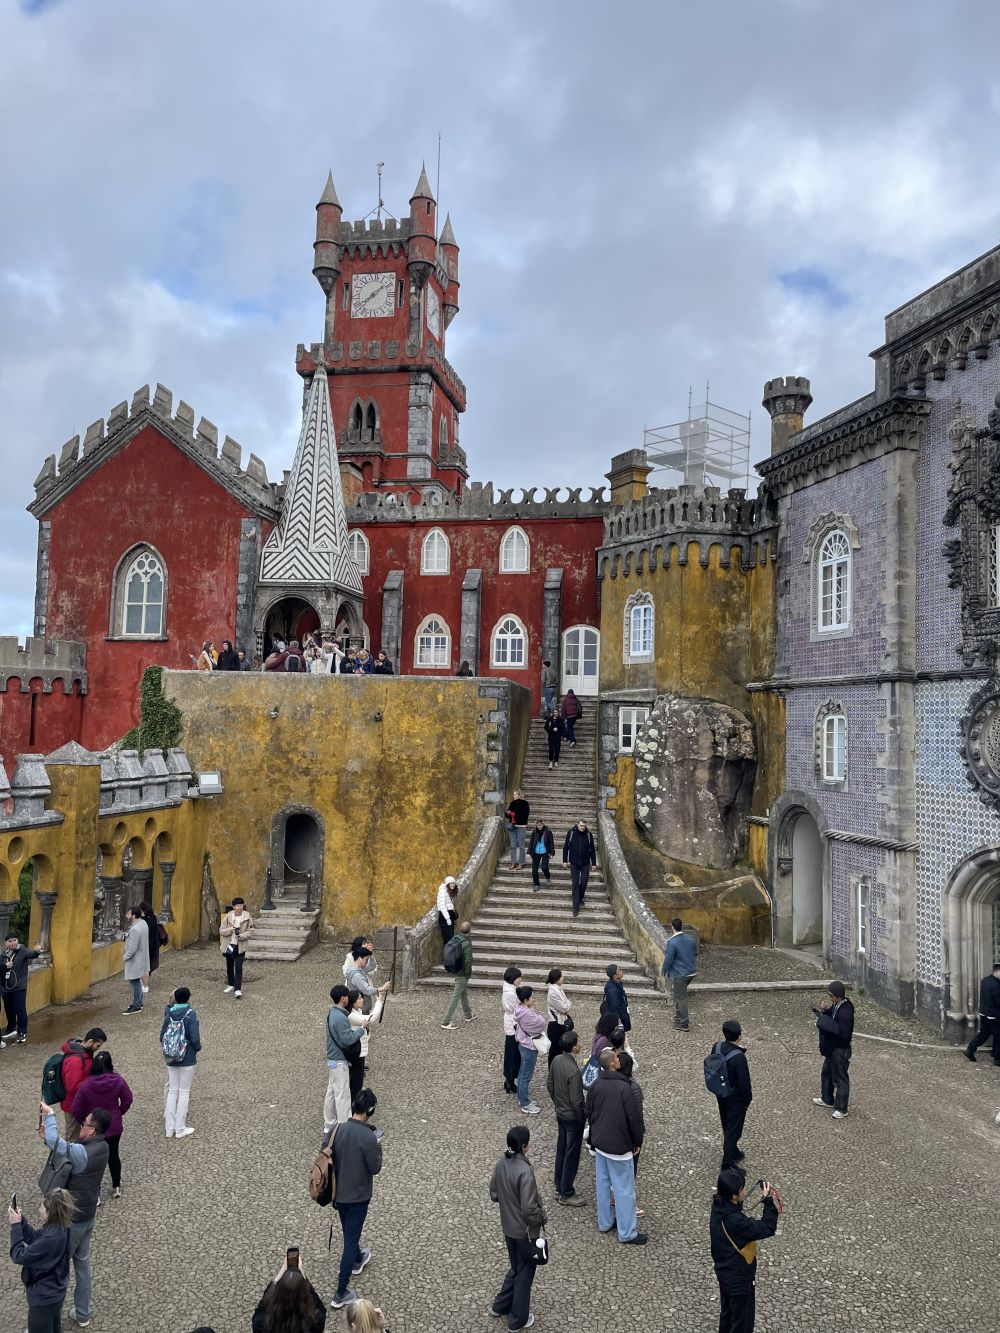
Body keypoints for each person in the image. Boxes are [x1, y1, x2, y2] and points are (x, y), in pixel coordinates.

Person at [39, 1100, 110, 1327]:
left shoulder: (82, 1153)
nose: (81, 1125)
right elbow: (59, 1145)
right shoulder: (103, 1147)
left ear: (92, 1130)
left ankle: (46, 1322)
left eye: (85, 1123)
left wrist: (50, 1115)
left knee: (55, 1270)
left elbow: (55, 1142)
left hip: (71, 1221)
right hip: (88, 1215)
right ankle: (83, 1312)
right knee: (82, 1266)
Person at [488, 1125, 546, 1332]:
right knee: (525, 1274)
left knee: (516, 1267)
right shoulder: (525, 1171)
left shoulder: (501, 1164)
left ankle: (500, 1305)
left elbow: (494, 1193)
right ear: (524, 1146)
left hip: (508, 1227)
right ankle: (518, 1319)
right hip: (524, 1232)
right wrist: (542, 1218)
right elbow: (529, 1209)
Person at [585, 1047, 646, 1244]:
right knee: (624, 1189)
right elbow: (634, 1119)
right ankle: (627, 1232)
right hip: (619, 1146)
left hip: (600, 1142)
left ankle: (605, 1222)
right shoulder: (624, 1088)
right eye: (617, 1058)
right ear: (612, 1063)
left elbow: (589, 1111)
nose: (619, 1059)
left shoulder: (596, 1085)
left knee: (603, 1184)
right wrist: (637, 1141)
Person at [329, 1089, 383, 1310]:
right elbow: (375, 1167)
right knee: (350, 1241)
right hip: (358, 1196)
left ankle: (359, 1258)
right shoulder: (369, 1137)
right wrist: (377, 1145)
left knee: (350, 1230)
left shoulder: (337, 1129)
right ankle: (341, 1292)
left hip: (338, 1193)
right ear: (370, 1111)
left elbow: (326, 1152)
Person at [709, 1167, 779, 1333]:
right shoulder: (737, 1222)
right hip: (739, 1278)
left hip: (724, 1272)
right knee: (742, 1323)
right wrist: (768, 1200)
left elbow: (736, 1207)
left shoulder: (718, 1206)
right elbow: (767, 1228)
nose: (745, 1192)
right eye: (742, 1189)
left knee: (727, 1314)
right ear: (734, 1196)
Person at [8, 1188, 75, 1333]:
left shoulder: (50, 1238)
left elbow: (18, 1255)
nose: (39, 1210)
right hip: (57, 1291)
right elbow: (34, 1238)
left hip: (44, 1298)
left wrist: (15, 1227)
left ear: (51, 1212)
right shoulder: (61, 1226)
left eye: (42, 1207)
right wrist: (21, 1221)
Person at [70, 1050, 133, 1199]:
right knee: (113, 1155)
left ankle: (96, 1194)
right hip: (114, 1126)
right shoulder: (118, 1080)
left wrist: (84, 1122)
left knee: (93, 1161)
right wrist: (119, 1113)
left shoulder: (86, 1085)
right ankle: (116, 1186)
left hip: (94, 1129)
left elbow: (75, 1108)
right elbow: (128, 1099)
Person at [546, 1030, 585, 1206]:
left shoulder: (556, 1060)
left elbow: (550, 1084)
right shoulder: (574, 1071)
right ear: (574, 1047)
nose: (580, 1044)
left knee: (561, 1150)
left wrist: (557, 1103)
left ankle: (559, 1186)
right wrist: (581, 1118)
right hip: (572, 1118)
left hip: (561, 1113)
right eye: (578, 1042)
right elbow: (577, 1101)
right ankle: (567, 1192)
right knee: (571, 1155)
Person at [711, 1019, 752, 1170]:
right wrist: (747, 1101)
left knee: (726, 1123)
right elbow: (744, 1083)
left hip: (721, 1093)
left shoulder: (717, 1046)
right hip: (735, 1098)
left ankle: (733, 1150)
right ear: (739, 1036)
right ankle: (727, 1163)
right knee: (733, 1129)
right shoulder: (738, 1057)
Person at [161, 986, 201, 1138]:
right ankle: (180, 1128)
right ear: (188, 998)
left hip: (171, 1057)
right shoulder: (190, 1014)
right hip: (187, 1057)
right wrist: (197, 1048)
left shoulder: (169, 1013)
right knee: (184, 1092)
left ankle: (169, 1128)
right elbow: (195, 1038)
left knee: (172, 1091)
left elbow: (162, 1035)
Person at [252, 1254, 327, 1333]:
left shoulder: (263, 1323)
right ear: (304, 1294)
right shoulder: (314, 1323)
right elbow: (320, 1307)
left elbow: (261, 1308)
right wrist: (304, 1278)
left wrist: (276, 1280)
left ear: (278, 1292)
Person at [812, 980, 855, 1119]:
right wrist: (825, 1011)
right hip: (832, 1047)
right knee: (827, 1073)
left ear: (838, 996)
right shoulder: (837, 1005)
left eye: (831, 996)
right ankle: (827, 1099)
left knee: (840, 1078)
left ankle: (841, 1108)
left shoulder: (846, 1012)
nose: (830, 998)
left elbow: (843, 1034)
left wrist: (826, 1025)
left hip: (840, 1050)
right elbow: (832, 1015)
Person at [56, 1028, 107, 1141]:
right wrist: (94, 1082)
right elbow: (73, 1087)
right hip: (72, 1105)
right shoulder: (75, 1060)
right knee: (73, 1137)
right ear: (90, 1041)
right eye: (97, 1045)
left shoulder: (84, 1054)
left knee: (82, 1135)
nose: (98, 1048)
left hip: (81, 1102)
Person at [325, 985, 362, 1131]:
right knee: (343, 1096)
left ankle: (329, 1123)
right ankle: (345, 1128)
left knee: (331, 1093)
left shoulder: (332, 1013)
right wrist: (361, 1030)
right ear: (343, 999)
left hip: (332, 1059)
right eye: (347, 996)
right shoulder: (341, 1017)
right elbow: (347, 1039)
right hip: (339, 1061)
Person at [2, 931, 43, 1043]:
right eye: (10, 941)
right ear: (6, 943)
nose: (12, 943)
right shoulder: (5, 953)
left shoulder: (23, 950)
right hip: (6, 987)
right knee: (9, 1010)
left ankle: (22, 1032)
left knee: (20, 1010)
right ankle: (11, 1029)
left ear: (18, 941)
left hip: (19, 987)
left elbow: (32, 955)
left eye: (14, 940)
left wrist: (37, 951)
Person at [347, 987, 385, 1104]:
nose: (362, 1000)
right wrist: (379, 1002)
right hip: (356, 1052)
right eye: (359, 998)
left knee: (358, 1078)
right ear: (353, 1002)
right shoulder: (352, 1016)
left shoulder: (356, 1011)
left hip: (360, 1050)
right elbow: (370, 1018)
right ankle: (354, 1105)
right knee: (356, 1080)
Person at [513, 985, 546, 1115]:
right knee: (526, 1076)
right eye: (531, 997)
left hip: (523, 1044)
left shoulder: (520, 1010)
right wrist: (540, 1017)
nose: (534, 998)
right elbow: (541, 1024)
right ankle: (525, 1103)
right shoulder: (527, 1013)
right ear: (526, 1000)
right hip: (529, 1046)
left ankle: (521, 1098)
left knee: (522, 1074)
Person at [662, 918, 698, 1031]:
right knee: (679, 994)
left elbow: (668, 958)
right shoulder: (689, 939)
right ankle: (678, 1018)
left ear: (672, 927)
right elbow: (695, 953)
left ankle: (683, 1023)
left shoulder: (672, 942)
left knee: (681, 998)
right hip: (691, 972)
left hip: (680, 973)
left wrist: (664, 971)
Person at [965, 961, 1000, 1065]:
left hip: (984, 1013)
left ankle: (970, 1049)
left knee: (984, 1034)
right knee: (998, 1036)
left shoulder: (985, 981)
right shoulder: (996, 985)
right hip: (994, 1015)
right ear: (997, 972)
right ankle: (997, 1059)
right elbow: (998, 1001)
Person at [441, 921, 474, 1028]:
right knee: (456, 997)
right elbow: (468, 961)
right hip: (462, 973)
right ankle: (446, 1021)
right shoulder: (466, 943)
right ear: (470, 930)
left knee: (463, 993)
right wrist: (467, 974)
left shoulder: (455, 938)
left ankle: (468, 1015)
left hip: (456, 970)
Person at [219, 897, 254, 998]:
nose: (240, 907)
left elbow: (251, 931)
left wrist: (241, 936)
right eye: (238, 905)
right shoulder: (228, 917)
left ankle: (237, 989)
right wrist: (230, 930)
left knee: (238, 967)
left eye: (242, 905)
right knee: (229, 966)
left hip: (240, 945)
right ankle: (231, 984)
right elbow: (221, 931)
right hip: (230, 944)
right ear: (234, 907)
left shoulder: (247, 917)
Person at [562, 820, 596, 916]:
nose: (583, 827)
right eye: (581, 826)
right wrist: (564, 860)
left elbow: (592, 850)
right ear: (577, 825)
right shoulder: (571, 833)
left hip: (585, 863)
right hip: (574, 863)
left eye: (584, 826)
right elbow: (566, 847)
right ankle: (575, 907)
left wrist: (593, 863)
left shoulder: (588, 835)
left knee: (584, 882)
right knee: (575, 883)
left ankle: (580, 897)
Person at [346, 946, 391, 1016]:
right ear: (360, 958)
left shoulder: (356, 968)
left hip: (360, 1007)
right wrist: (383, 988)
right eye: (366, 959)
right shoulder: (356, 975)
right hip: (360, 1009)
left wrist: (370, 954)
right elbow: (367, 990)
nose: (367, 961)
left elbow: (372, 965)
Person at [122, 905, 149, 1015]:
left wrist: (125, 957)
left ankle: (137, 1004)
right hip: (142, 956)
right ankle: (138, 1002)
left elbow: (132, 949)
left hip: (135, 959)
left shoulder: (135, 929)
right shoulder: (143, 923)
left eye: (128, 914)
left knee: (134, 981)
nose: (126, 915)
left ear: (133, 915)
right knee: (136, 981)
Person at [545, 968, 572, 1068]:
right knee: (555, 1049)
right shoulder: (553, 992)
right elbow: (564, 1007)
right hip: (555, 1024)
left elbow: (566, 1002)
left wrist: (567, 1004)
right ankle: (553, 1070)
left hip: (561, 1021)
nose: (563, 978)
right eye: (561, 977)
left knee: (560, 1049)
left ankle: (559, 1069)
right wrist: (567, 1004)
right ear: (556, 979)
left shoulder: (558, 989)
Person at [501, 966, 523, 1094]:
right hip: (512, 1024)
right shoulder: (510, 993)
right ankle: (509, 1079)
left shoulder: (511, 989)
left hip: (512, 1022)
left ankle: (510, 1079)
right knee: (512, 1053)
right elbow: (517, 1008)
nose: (520, 980)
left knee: (514, 1052)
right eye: (518, 978)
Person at [601, 963, 632, 1034]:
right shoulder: (613, 990)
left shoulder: (617, 984)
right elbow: (615, 1009)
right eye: (619, 970)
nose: (621, 971)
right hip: (618, 1020)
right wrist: (619, 1024)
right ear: (615, 976)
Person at [139, 901, 161, 996]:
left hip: (145, 945)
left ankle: (145, 985)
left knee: (144, 967)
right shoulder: (154, 917)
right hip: (153, 945)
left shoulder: (142, 920)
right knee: (147, 966)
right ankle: (144, 983)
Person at [505, 790, 530, 872]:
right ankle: (513, 862)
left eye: (515, 794)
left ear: (519, 795)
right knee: (512, 845)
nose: (513, 795)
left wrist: (515, 815)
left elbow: (525, 815)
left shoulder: (525, 803)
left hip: (521, 826)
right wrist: (507, 813)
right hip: (512, 827)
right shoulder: (512, 803)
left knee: (521, 846)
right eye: (513, 794)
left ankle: (521, 863)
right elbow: (508, 816)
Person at [529, 820, 555, 891]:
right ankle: (536, 884)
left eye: (540, 825)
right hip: (536, 852)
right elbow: (531, 842)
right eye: (537, 825)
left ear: (543, 824)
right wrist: (528, 852)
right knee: (534, 870)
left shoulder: (548, 832)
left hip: (545, 852)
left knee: (544, 867)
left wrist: (552, 853)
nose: (539, 827)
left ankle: (548, 878)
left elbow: (551, 843)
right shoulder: (534, 832)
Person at [436, 876, 459, 945]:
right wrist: (448, 918)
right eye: (451, 883)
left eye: (454, 883)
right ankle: (448, 952)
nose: (453, 885)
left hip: (449, 917)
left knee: (449, 940)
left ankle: (449, 952)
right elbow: (442, 906)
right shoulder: (443, 892)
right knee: (449, 939)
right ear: (447, 884)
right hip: (445, 918)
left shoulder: (448, 892)